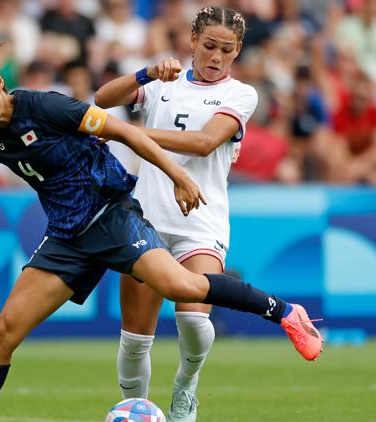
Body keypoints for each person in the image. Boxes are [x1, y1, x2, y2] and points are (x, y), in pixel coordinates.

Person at [0, 36, 322, 422]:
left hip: (113, 216)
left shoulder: (47, 107)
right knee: (2, 332)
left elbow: (126, 133)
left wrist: (178, 174)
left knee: (181, 286)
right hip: (66, 238)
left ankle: (283, 311)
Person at [94, 7, 317, 421]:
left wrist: (127, 132)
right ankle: (135, 411)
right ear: (193, 39)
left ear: (238, 52)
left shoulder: (241, 94)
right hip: (145, 219)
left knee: (194, 323)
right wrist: (144, 75)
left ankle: (185, 385)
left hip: (201, 219)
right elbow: (102, 100)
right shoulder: (165, 84)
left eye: (226, 50)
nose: (216, 56)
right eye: (209, 46)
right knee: (134, 340)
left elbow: (201, 142)